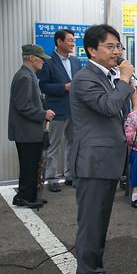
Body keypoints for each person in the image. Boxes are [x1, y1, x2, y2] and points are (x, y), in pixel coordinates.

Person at [69, 24, 134, 274]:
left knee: (100, 223)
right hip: (93, 164)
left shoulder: (106, 76)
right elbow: (108, 106)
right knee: (91, 225)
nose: (116, 51)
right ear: (91, 50)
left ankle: (96, 272)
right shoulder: (85, 78)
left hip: (105, 162)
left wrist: (121, 82)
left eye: (118, 46)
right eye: (110, 46)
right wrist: (123, 79)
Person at [8, 44, 56, 208]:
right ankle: (24, 197)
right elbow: (23, 106)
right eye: (41, 59)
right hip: (26, 133)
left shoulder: (29, 75)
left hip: (29, 132)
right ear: (32, 58)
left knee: (32, 165)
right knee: (29, 166)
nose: (43, 62)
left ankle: (29, 196)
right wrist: (43, 114)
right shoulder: (24, 77)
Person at [37, 28, 82, 192]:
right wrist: (64, 87)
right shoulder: (48, 61)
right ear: (59, 42)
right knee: (54, 145)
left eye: (73, 40)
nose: (72, 43)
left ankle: (70, 175)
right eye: (70, 40)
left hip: (74, 110)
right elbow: (43, 86)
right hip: (56, 110)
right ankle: (52, 177)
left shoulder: (76, 62)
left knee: (73, 143)